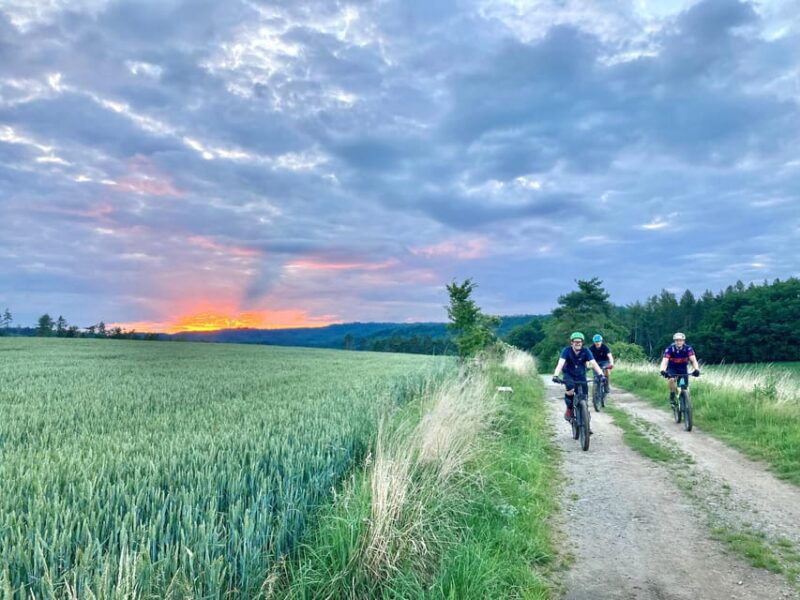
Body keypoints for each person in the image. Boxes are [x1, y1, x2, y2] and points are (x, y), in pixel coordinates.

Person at [552, 331, 607, 421]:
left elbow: (594, 363)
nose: (578, 343)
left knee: (584, 398)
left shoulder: (586, 351)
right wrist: (555, 375)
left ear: (582, 343)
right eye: (575, 342)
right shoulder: (566, 351)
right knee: (570, 391)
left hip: (581, 375)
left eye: (579, 342)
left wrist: (601, 374)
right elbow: (560, 364)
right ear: (572, 343)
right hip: (569, 375)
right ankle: (569, 409)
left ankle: (586, 423)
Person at [659, 332, 701, 407]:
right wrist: (662, 370)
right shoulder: (669, 349)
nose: (679, 342)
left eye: (680, 340)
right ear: (674, 341)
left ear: (683, 341)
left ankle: (687, 405)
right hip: (672, 368)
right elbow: (665, 361)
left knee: (685, 387)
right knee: (671, 380)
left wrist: (697, 369)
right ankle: (672, 395)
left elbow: (693, 360)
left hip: (683, 368)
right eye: (677, 340)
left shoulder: (688, 349)